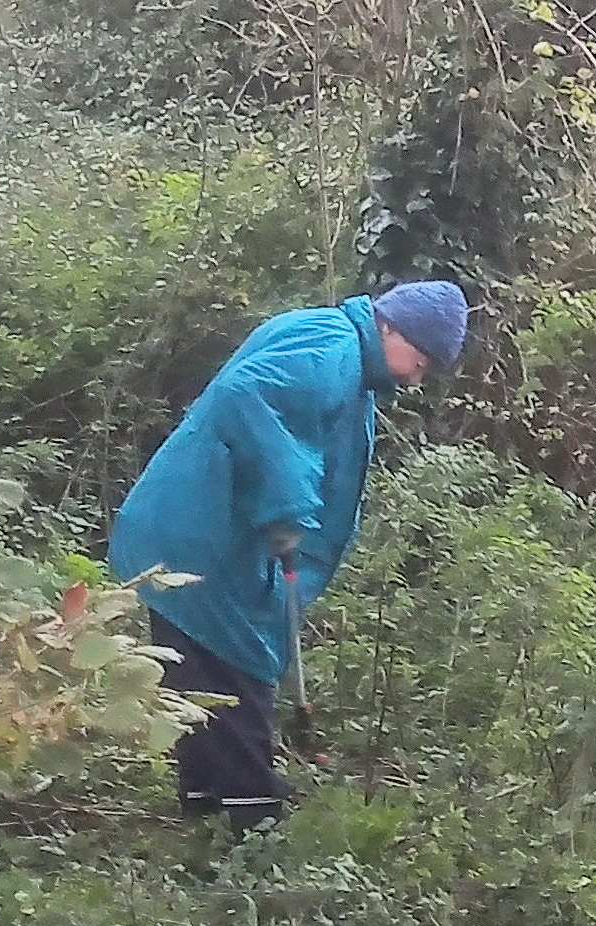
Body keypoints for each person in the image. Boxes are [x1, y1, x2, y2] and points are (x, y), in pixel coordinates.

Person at [109, 280, 468, 829]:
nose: (416, 378)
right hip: (199, 534)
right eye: (420, 362)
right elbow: (245, 398)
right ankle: (255, 823)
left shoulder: (344, 358)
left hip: (194, 530)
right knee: (240, 672)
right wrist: (288, 505)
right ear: (391, 327)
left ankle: (204, 812)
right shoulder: (329, 349)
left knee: (201, 675)